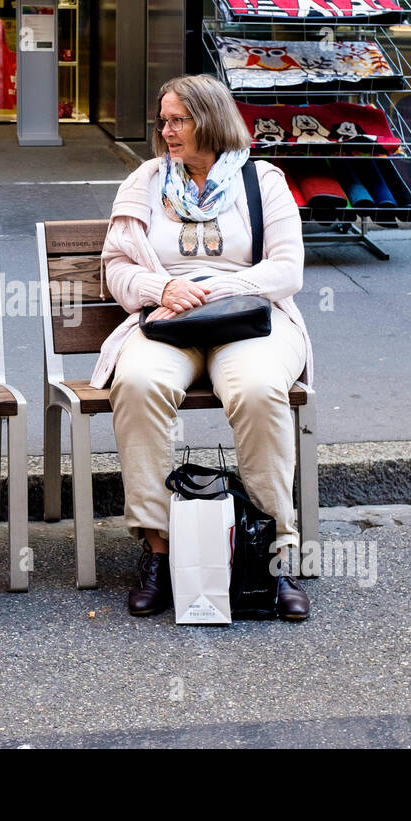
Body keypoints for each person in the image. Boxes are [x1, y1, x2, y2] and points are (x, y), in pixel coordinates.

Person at [92, 74, 315, 620]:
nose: (166, 131)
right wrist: (161, 287)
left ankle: (271, 554)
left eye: (178, 120)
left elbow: (287, 269)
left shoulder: (263, 180)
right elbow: (116, 267)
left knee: (260, 389)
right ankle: (159, 550)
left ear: (210, 120)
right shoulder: (145, 182)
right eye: (162, 120)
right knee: (139, 382)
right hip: (168, 319)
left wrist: (215, 289)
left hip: (250, 317)